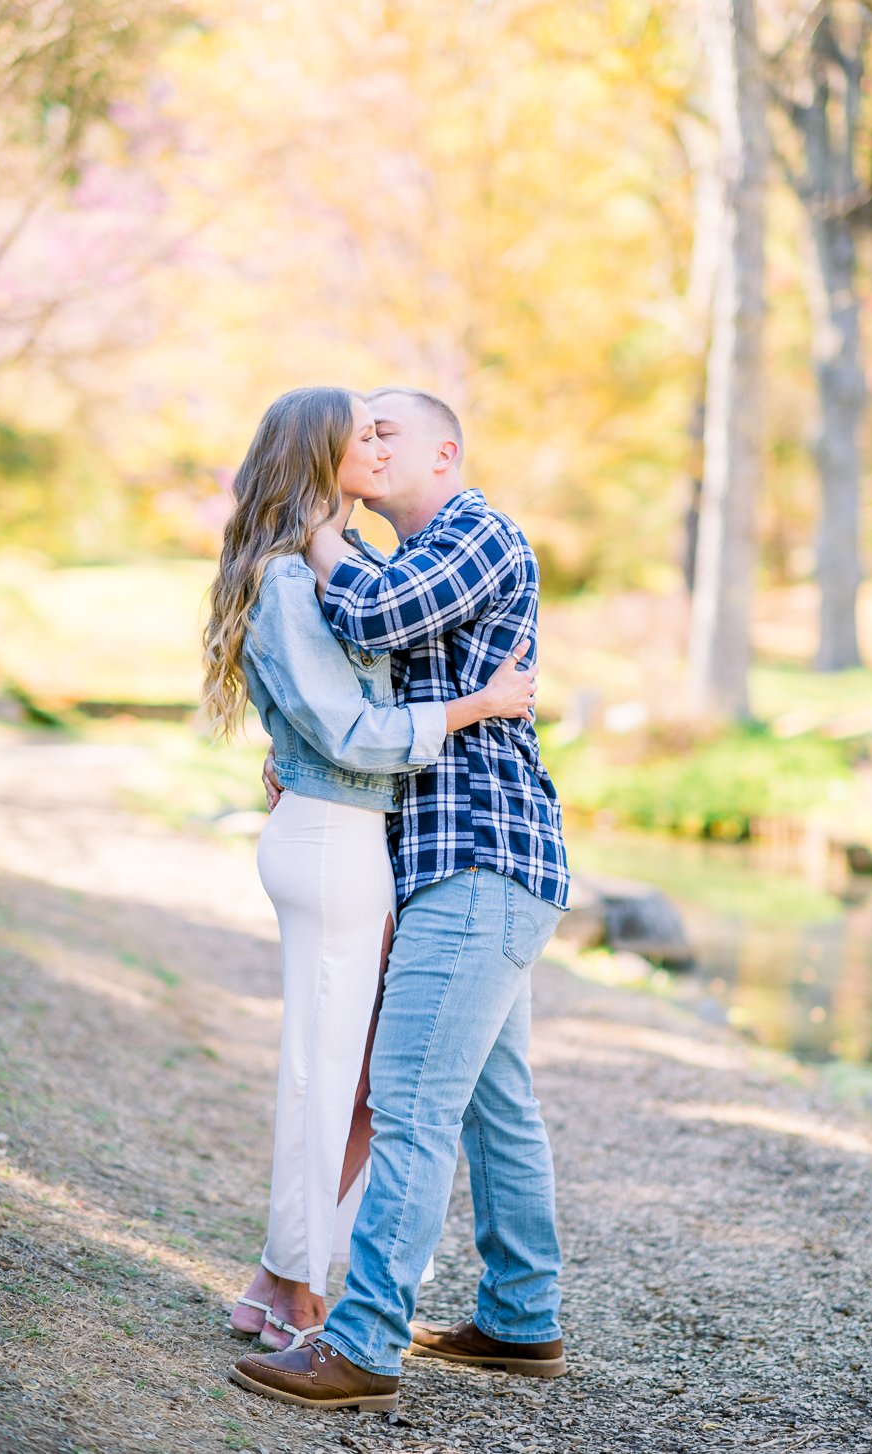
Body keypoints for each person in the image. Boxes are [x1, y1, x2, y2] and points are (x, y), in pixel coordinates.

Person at [230, 388, 569, 1412]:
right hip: (457, 866)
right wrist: (299, 759)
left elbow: (371, 618)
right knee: (494, 1105)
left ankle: (365, 1343)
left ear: (445, 451)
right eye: (355, 431)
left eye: (385, 430)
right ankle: (522, 1319)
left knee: (413, 1100)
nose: (363, 442)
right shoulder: (403, 561)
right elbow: (348, 686)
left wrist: (307, 523)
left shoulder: (476, 529)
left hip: (479, 857)